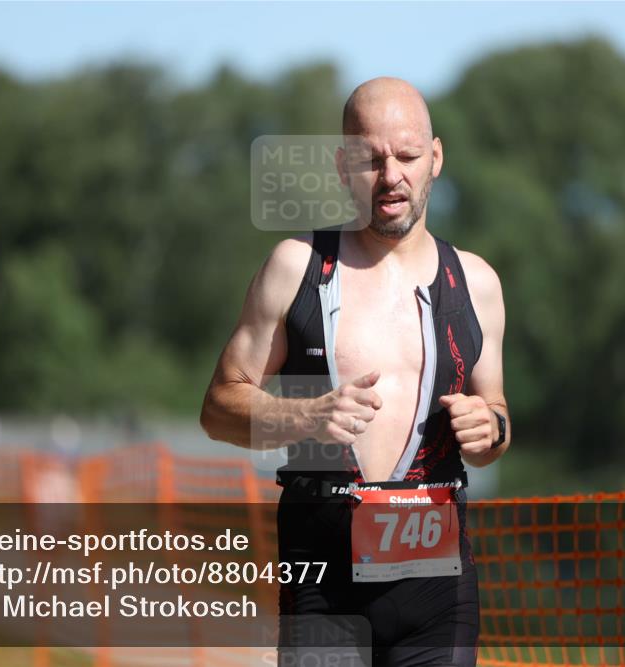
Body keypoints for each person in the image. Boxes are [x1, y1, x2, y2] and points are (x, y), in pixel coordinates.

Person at [200, 77, 510, 666]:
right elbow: (218, 408)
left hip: (436, 584)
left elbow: (496, 421)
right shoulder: (297, 267)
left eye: (408, 157)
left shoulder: (477, 284)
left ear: (436, 159)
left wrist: (488, 428)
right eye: (371, 160)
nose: (391, 176)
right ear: (343, 167)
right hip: (323, 583)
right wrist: (303, 415)